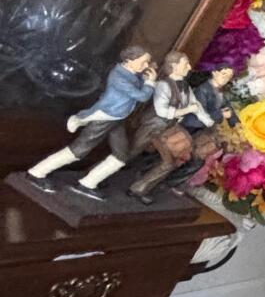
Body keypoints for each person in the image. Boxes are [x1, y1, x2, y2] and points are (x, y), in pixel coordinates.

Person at [26, 46, 155, 183]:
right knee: (78, 150)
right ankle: (37, 172)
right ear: (129, 60)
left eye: (147, 62)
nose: (146, 66)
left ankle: (88, 183)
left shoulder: (132, 74)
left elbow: (139, 83)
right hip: (106, 117)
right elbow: (142, 96)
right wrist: (150, 82)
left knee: (121, 156)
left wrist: (146, 78)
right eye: (143, 62)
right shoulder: (119, 77)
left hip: (117, 119)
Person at [77, 51, 199, 193]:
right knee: (128, 153)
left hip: (164, 127)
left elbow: (194, 105)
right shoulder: (163, 85)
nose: (189, 67)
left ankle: (103, 179)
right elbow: (161, 110)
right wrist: (187, 110)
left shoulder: (184, 86)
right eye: (186, 64)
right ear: (174, 66)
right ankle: (93, 177)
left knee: (133, 155)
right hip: (153, 126)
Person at [127, 64, 234, 201]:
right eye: (224, 74)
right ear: (214, 72)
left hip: (192, 131)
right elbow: (199, 114)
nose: (226, 78)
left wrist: (232, 122)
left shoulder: (219, 94)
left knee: (183, 161)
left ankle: (152, 182)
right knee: (169, 160)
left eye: (229, 76)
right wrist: (219, 115)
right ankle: (140, 186)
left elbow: (218, 114)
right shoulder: (202, 90)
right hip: (180, 129)